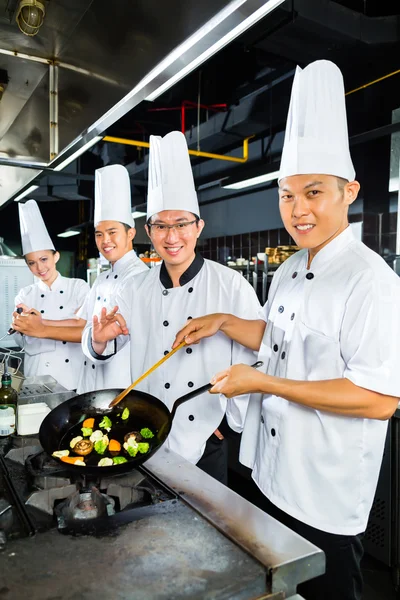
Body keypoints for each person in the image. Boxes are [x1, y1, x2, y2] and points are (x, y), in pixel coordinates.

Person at [172, 61, 400, 600]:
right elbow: (278, 340)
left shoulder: (372, 282)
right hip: (267, 473)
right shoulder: (292, 268)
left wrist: (263, 384)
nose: (296, 210)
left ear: (350, 191)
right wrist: (226, 322)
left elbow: (379, 399)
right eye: (286, 194)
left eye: (313, 192)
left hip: (322, 490)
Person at [83, 131, 261, 483]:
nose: (172, 236)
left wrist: (225, 422)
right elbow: (108, 350)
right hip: (146, 432)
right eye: (161, 226)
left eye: (181, 224)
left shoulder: (230, 285)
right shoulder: (133, 288)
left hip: (206, 435)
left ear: (198, 227)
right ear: (148, 231)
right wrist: (101, 339)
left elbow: (258, 352)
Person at [13, 165, 148, 394]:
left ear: (131, 233)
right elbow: (82, 323)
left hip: (120, 386)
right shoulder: (103, 279)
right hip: (91, 384)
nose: (105, 240)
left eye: (112, 231)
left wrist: (41, 329)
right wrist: (38, 324)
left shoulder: (139, 279)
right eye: (98, 233)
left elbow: (100, 336)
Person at [12, 200, 89, 390]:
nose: (39, 268)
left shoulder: (78, 287)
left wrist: (39, 325)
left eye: (44, 259)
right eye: (32, 263)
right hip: (37, 379)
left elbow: (85, 330)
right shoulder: (25, 294)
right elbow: (22, 337)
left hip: (73, 377)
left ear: (56, 256)